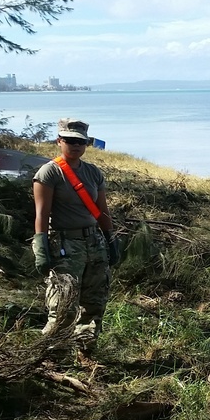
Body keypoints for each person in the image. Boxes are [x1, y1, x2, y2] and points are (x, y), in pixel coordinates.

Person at [31, 118, 120, 346]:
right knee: (62, 304)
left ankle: (85, 350)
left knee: (94, 302)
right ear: (59, 140)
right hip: (64, 244)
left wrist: (110, 240)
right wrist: (41, 247)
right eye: (69, 140)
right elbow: (41, 214)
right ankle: (49, 355)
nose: (75, 145)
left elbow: (102, 211)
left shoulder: (92, 173)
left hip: (94, 242)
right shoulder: (49, 173)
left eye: (81, 141)